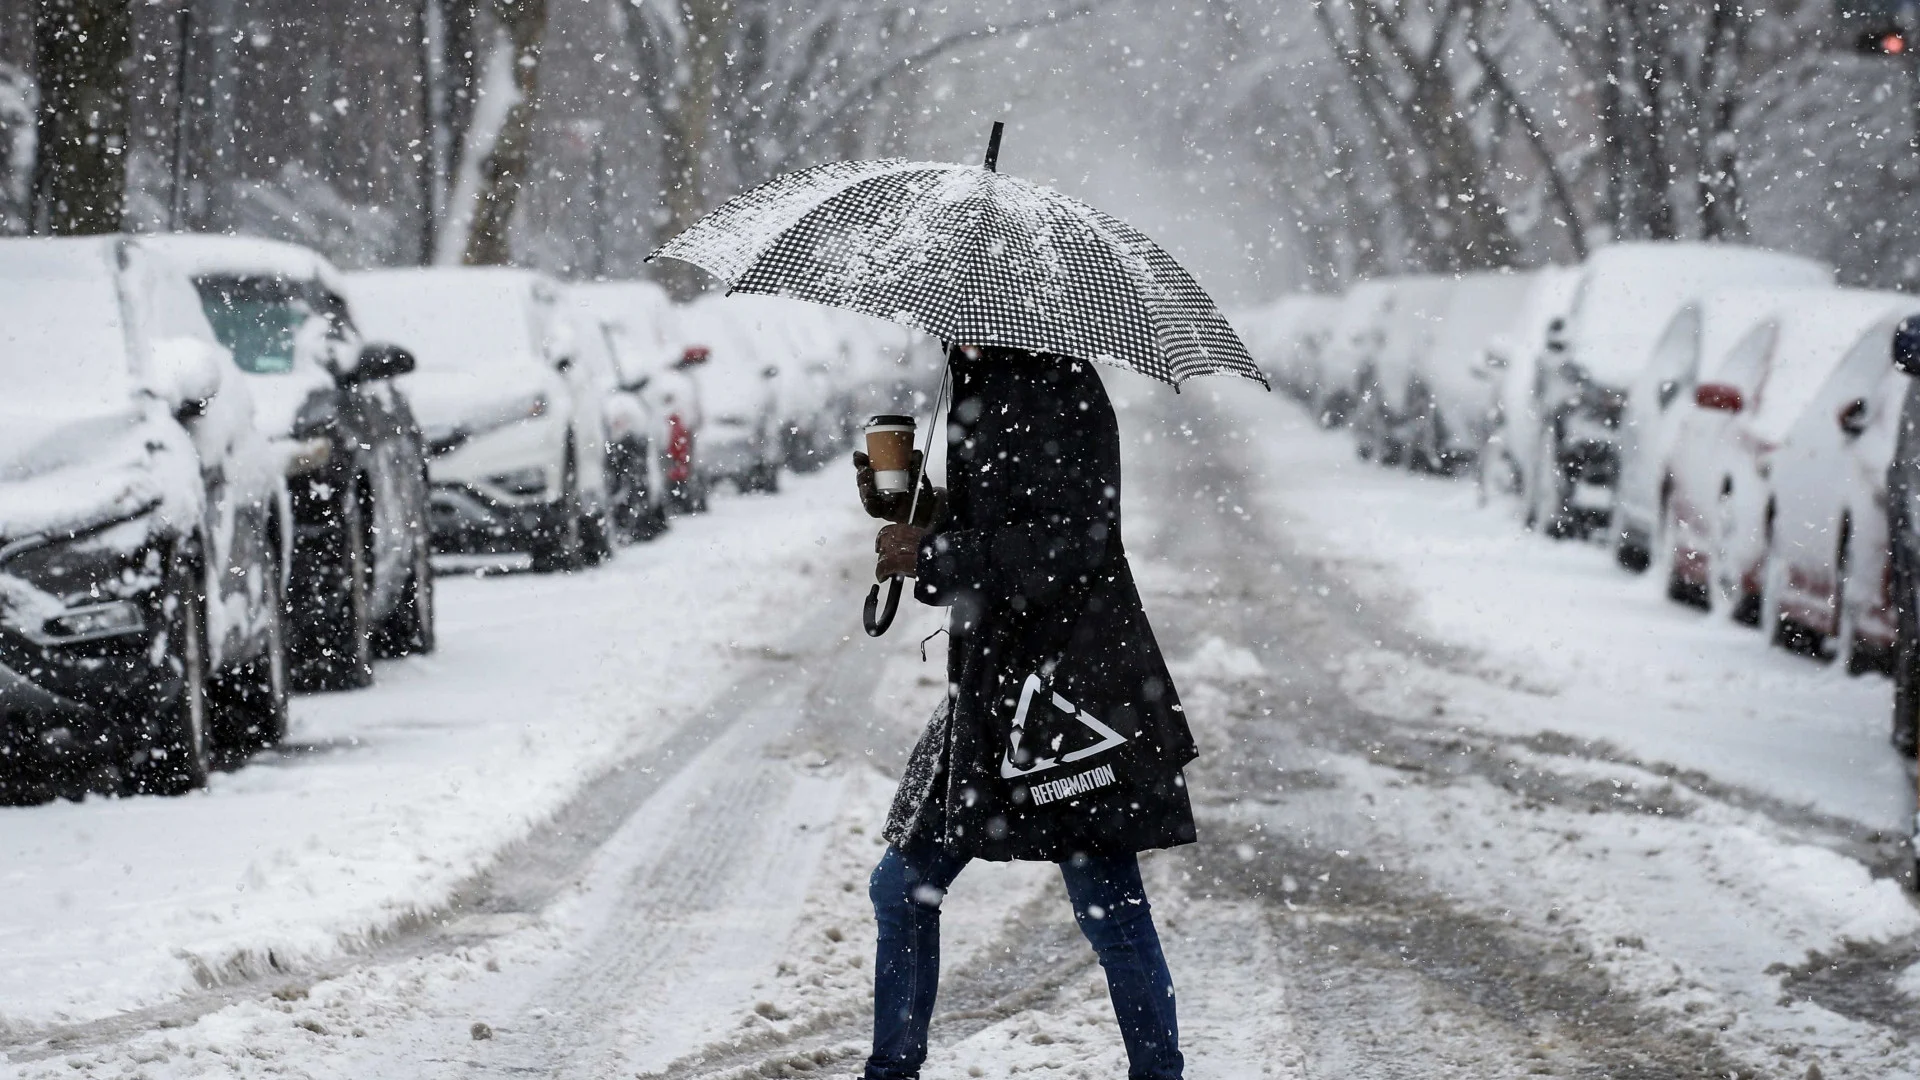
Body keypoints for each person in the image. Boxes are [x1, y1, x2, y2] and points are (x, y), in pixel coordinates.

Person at [850, 345, 1196, 1080]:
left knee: (1110, 906)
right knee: (902, 887)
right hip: (993, 688)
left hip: (1064, 692)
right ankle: (892, 1072)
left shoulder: (1050, 385)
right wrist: (913, 505)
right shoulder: (985, 375)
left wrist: (936, 554)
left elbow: (1072, 543)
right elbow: (1009, 519)